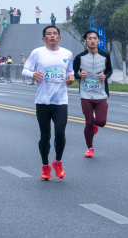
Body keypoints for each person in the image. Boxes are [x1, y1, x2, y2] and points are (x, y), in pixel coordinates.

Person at [21, 26, 75, 181]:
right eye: (49, 34)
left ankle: (58, 162)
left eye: (55, 34)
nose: (52, 36)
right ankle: (45, 166)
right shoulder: (38, 53)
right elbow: (25, 70)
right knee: (45, 135)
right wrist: (33, 74)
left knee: (60, 133)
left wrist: (71, 77)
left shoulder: (67, 54)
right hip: (42, 101)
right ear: (44, 38)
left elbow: (70, 71)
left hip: (60, 101)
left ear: (59, 38)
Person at [73, 30, 113, 158]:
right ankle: (89, 148)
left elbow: (110, 70)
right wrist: (78, 75)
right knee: (88, 122)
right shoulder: (79, 57)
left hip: (100, 94)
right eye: (89, 38)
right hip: (86, 94)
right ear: (85, 41)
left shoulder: (105, 56)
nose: (92, 40)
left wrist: (105, 76)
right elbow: (72, 73)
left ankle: (96, 125)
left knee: (101, 122)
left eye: (94, 38)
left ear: (98, 41)